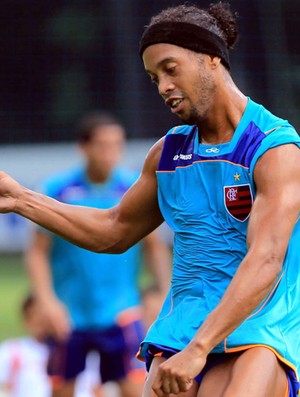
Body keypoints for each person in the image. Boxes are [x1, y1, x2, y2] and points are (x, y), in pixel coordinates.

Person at [0, 1, 299, 396]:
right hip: (180, 335)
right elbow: (114, 230)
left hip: (259, 329)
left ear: (212, 58)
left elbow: (266, 260)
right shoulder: (167, 155)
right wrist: (21, 199)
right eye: (153, 78)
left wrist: (201, 347)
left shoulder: (273, 149)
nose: (163, 87)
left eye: (170, 69)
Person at [24, 111, 172, 397]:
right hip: (69, 314)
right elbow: (37, 253)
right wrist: (46, 301)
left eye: (117, 145)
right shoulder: (58, 191)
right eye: (103, 144)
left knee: (136, 389)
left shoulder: (132, 188)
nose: (110, 152)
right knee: (62, 390)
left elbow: (154, 246)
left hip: (121, 311)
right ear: (84, 147)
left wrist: (164, 295)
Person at [0, 294, 52, 397]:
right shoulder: (11, 351)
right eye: (33, 316)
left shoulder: (72, 351)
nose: (39, 321)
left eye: (43, 316)